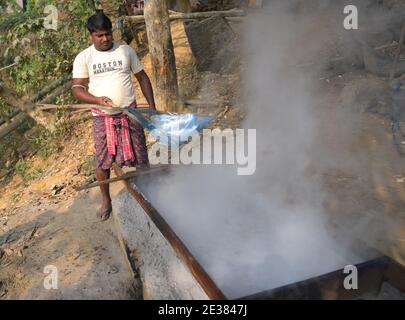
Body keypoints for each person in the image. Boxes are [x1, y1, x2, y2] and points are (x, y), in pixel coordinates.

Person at [72, 11, 156, 221]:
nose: (105, 39)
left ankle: (148, 193)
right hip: (103, 116)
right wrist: (97, 99)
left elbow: (143, 78)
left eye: (108, 34)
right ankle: (105, 199)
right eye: (100, 35)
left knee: (141, 155)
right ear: (91, 35)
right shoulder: (84, 57)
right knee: (103, 161)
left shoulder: (125, 51)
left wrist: (152, 106)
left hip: (130, 112)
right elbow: (77, 89)